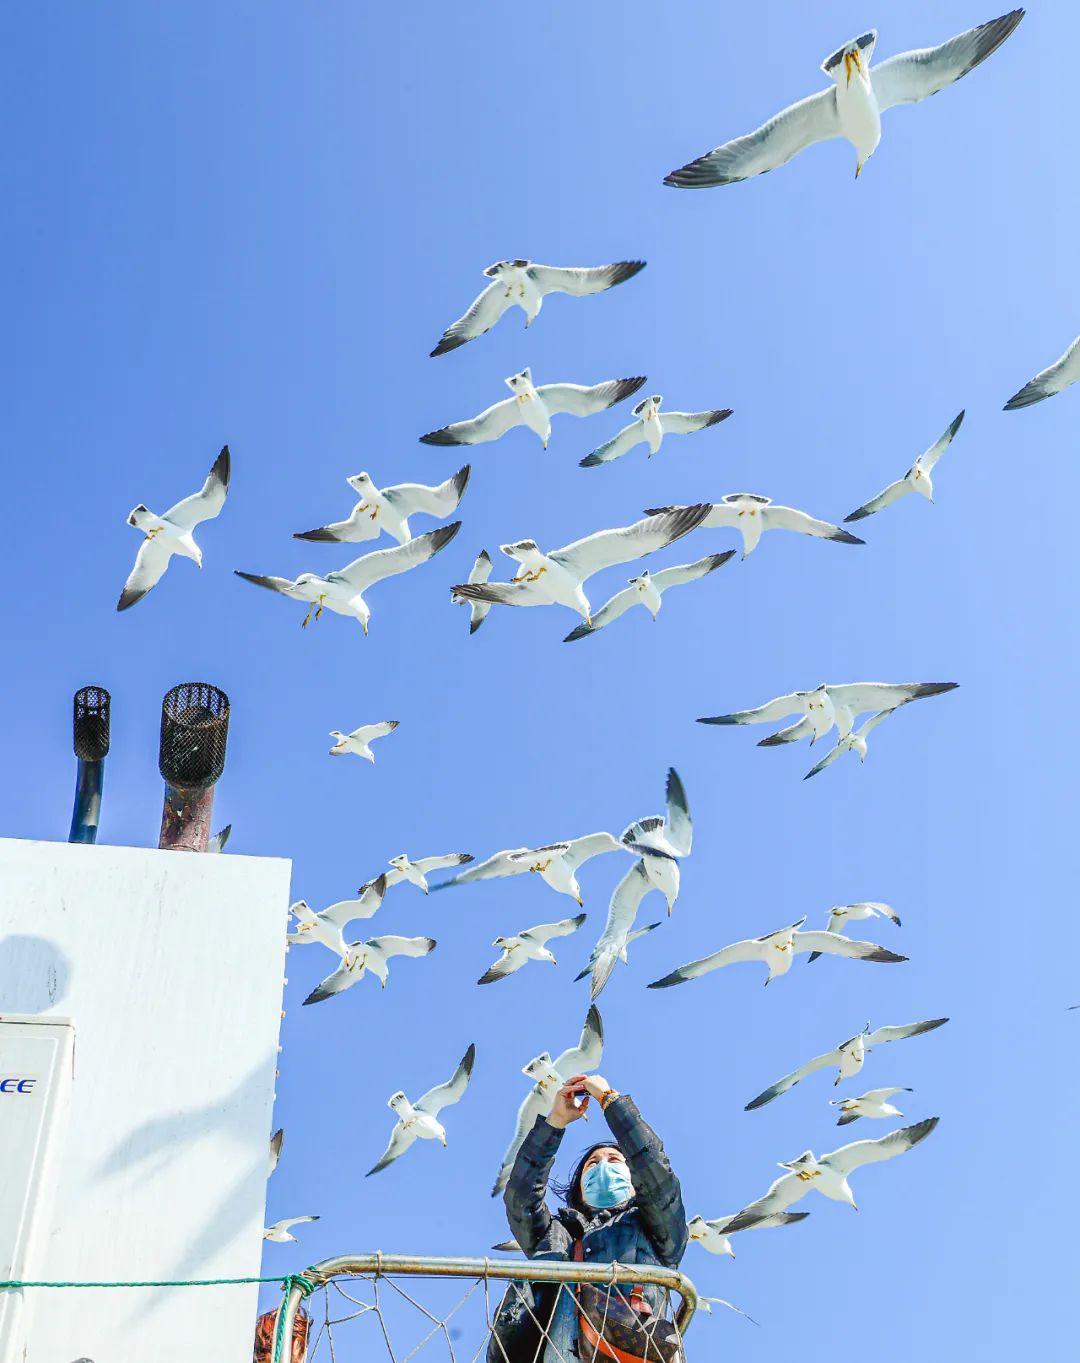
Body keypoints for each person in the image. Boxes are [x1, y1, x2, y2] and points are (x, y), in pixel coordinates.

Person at [500, 1072, 687, 1363]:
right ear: (579, 1187)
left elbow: (657, 1178)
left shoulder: (655, 1226)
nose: (603, 1166)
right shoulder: (555, 1236)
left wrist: (610, 1102)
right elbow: (520, 1198)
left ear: (632, 1175)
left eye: (614, 1160)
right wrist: (555, 1122)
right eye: (592, 1163)